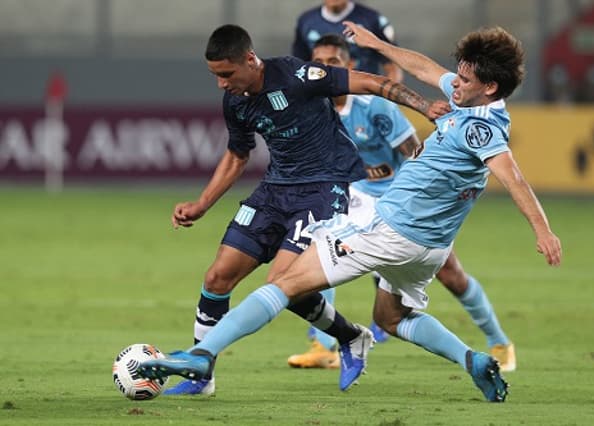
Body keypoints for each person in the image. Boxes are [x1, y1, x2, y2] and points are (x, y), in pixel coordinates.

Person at [139, 24, 563, 403]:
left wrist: (542, 231)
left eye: (464, 79)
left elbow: (513, 177)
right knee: (392, 318)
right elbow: (425, 68)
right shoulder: (471, 98)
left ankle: (201, 355)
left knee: (284, 283)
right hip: (430, 247)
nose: (452, 83)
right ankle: (471, 359)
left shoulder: (481, 127)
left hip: (391, 231)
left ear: (488, 87)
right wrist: (377, 43)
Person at [162, 24, 448, 396]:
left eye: (227, 74)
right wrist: (202, 204)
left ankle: (347, 338)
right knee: (217, 278)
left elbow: (371, 82)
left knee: (280, 285)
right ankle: (203, 379)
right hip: (273, 190)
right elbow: (238, 153)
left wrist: (425, 106)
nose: (221, 84)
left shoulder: (297, 75)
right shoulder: (235, 100)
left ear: (250, 59)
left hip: (323, 190)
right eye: (215, 76)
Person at [286, 34, 516, 373]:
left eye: (332, 62)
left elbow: (413, 151)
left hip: (405, 200)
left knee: (452, 276)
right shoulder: (311, 108)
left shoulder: (375, 106)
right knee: (323, 243)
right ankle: (323, 345)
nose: (323, 68)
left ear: (348, 66)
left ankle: (498, 340)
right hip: (359, 197)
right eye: (317, 62)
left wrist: (415, 192)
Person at [292, 0, 403, 82]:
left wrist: (386, 102)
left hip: (365, 96)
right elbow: (299, 68)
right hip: (324, 97)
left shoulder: (372, 19)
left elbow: (392, 67)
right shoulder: (306, 21)